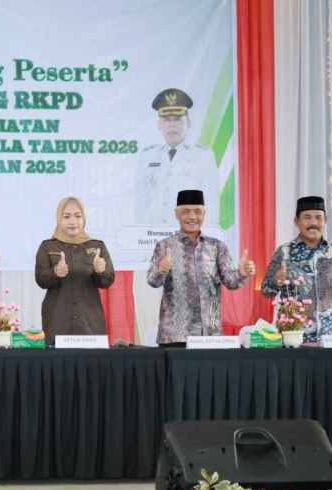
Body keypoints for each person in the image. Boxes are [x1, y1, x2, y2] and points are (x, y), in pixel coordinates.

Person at [147, 190, 255, 346]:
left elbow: (230, 282)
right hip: (176, 336)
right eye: (186, 212)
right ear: (177, 214)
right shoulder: (164, 246)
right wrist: (160, 270)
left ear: (204, 214)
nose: (192, 216)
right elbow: (152, 281)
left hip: (210, 334)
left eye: (198, 211)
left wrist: (241, 273)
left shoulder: (217, 246)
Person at [262, 196, 332, 343]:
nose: (313, 223)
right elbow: (266, 291)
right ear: (296, 221)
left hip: (330, 339)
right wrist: (276, 281)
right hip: (293, 338)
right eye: (307, 217)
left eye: (319, 217)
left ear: (325, 221)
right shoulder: (283, 252)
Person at [35, 197, 115, 345]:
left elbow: (107, 281)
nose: (73, 221)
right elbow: (40, 280)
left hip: (89, 323)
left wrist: (100, 271)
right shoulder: (47, 247)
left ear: (84, 219)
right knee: (57, 360)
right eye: (66, 216)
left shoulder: (98, 246)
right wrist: (55, 272)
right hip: (57, 322)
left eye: (78, 216)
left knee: (91, 360)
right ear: (59, 219)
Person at [135, 88, 220, 226]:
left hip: (190, 234)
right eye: (166, 120)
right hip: (154, 234)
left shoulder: (203, 156)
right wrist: (139, 233)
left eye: (177, 119)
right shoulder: (148, 156)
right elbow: (140, 204)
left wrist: (205, 237)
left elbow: (211, 203)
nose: (172, 125)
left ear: (189, 123)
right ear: (159, 124)